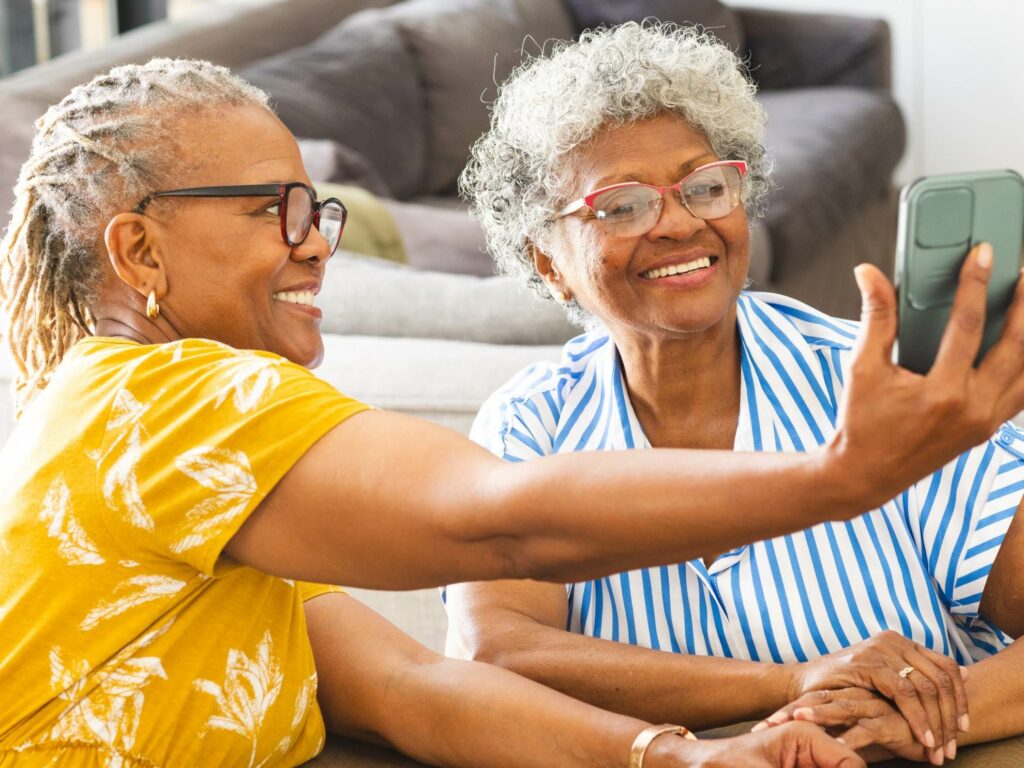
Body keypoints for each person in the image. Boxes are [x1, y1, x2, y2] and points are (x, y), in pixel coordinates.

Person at [0, 58, 1021, 768]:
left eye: (318, 211)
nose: (317, 244)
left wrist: (675, 758)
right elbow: (498, 523)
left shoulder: (217, 479)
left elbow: (408, 683)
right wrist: (840, 476)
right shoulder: (168, 400)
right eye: (280, 212)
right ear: (139, 253)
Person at [446, 21, 1024, 767]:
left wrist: (932, 718)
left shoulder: (881, 380)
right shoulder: (532, 425)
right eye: (621, 206)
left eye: (705, 186)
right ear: (548, 262)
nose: (681, 222)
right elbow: (500, 654)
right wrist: (788, 683)